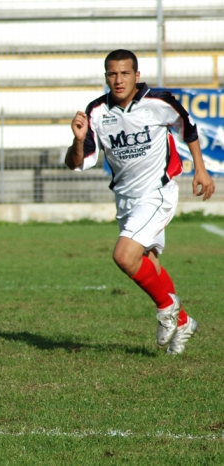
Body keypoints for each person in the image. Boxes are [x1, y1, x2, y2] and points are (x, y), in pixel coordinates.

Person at [66, 49, 215, 355]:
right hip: (125, 199)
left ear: (136, 75)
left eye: (124, 73)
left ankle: (167, 308)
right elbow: (76, 163)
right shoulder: (96, 112)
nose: (118, 80)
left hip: (156, 193)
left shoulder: (158, 102)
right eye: (111, 74)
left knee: (124, 255)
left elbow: (188, 128)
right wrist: (79, 139)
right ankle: (183, 321)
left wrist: (200, 168)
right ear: (106, 76)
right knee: (147, 261)